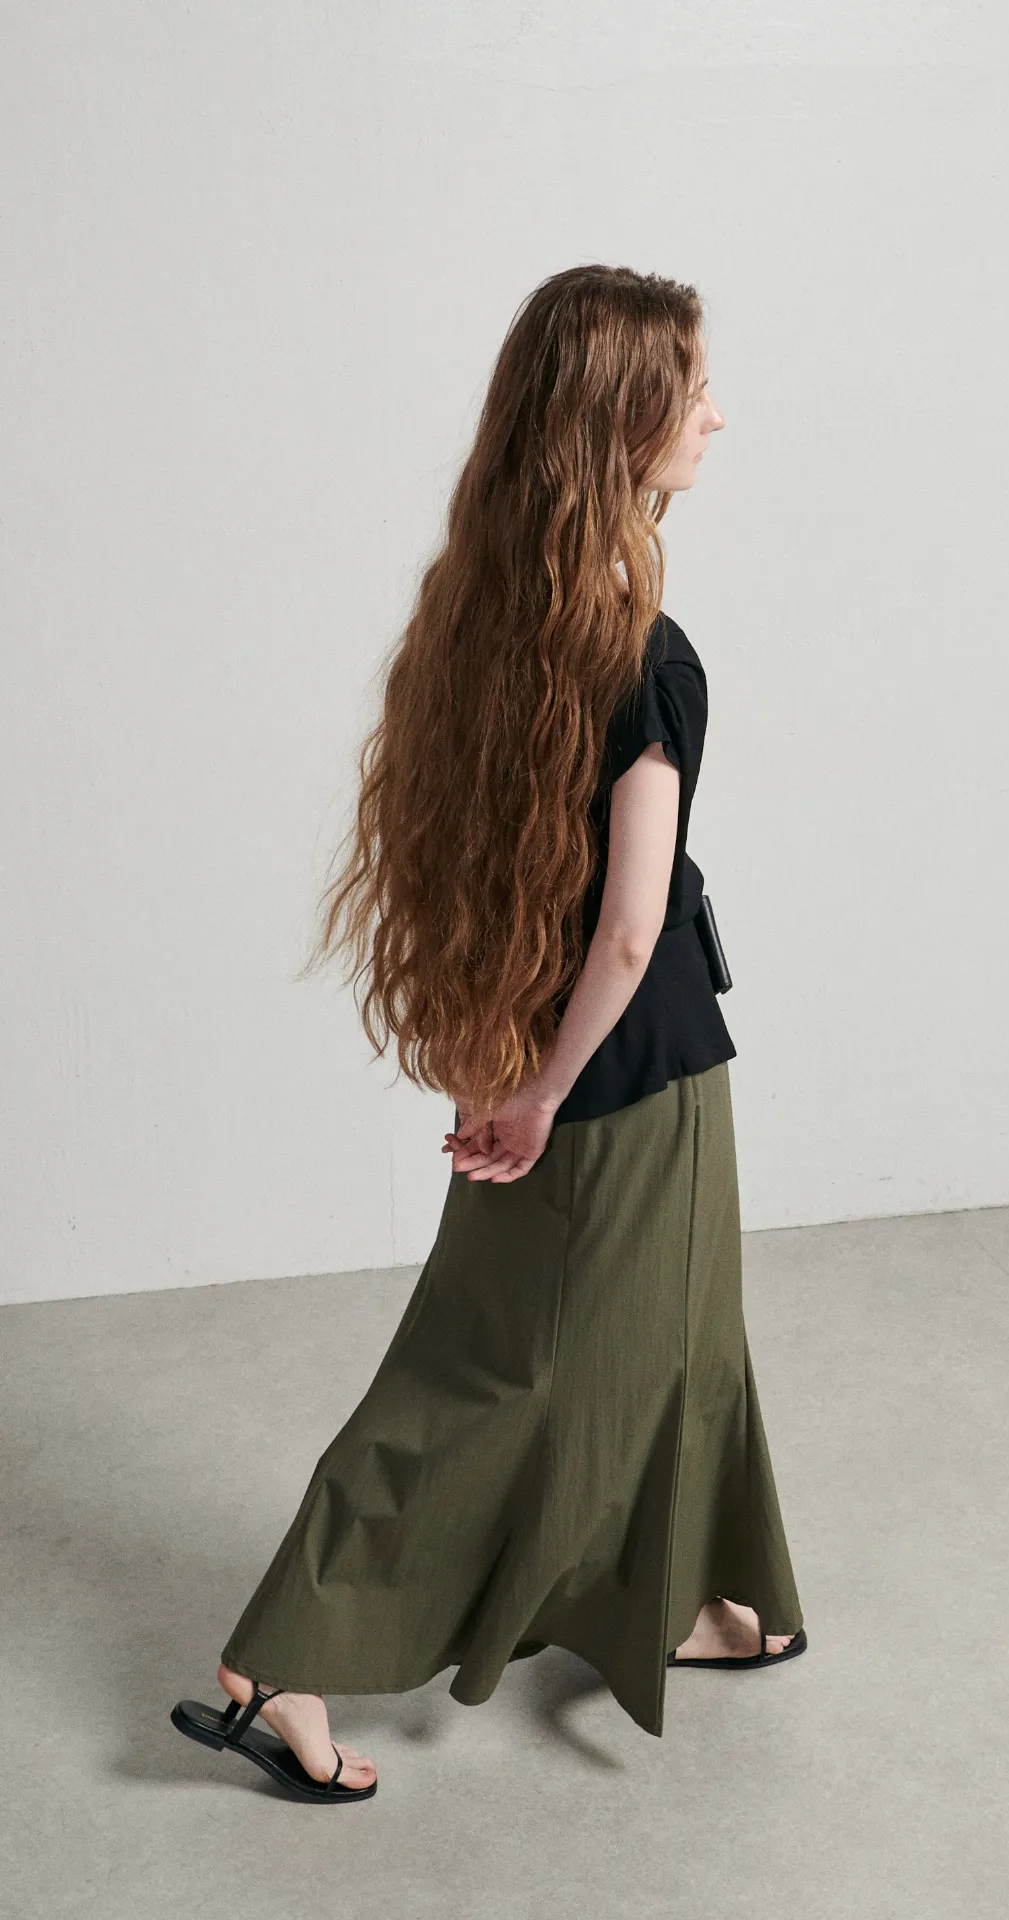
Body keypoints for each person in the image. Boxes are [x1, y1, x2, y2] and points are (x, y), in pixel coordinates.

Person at [170, 264, 806, 1804]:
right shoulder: (647, 654)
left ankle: (688, 1602)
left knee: (640, 1341)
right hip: (623, 1076)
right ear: (625, 423)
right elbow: (632, 927)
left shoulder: (481, 620)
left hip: (534, 1048)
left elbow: (460, 865)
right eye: (694, 391)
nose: (720, 415)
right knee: (525, 1372)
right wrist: (538, 1100)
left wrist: (494, 1069)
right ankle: (285, 1653)